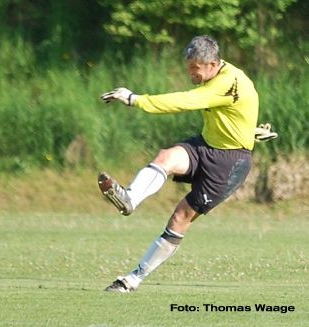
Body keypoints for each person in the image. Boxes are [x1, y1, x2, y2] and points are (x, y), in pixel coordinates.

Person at [98, 35, 261, 293]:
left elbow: (185, 101)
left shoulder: (228, 82)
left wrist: (135, 99)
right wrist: (249, 129)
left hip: (230, 162)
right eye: (189, 68)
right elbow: (241, 108)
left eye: (195, 69)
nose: (191, 74)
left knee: (181, 216)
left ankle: (133, 279)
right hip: (207, 145)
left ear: (212, 64)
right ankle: (129, 199)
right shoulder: (219, 76)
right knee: (165, 157)